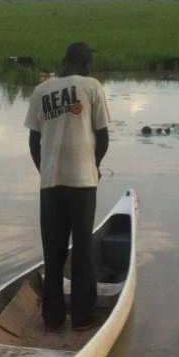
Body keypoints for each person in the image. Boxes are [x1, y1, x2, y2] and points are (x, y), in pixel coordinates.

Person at [24, 41, 110, 331]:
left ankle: (52, 318)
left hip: (50, 184)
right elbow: (103, 136)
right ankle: (83, 317)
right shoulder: (92, 86)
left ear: (65, 60)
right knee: (83, 249)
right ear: (84, 63)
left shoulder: (41, 90)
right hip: (82, 182)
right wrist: (92, 166)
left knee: (53, 251)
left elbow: (34, 141)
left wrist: (45, 171)